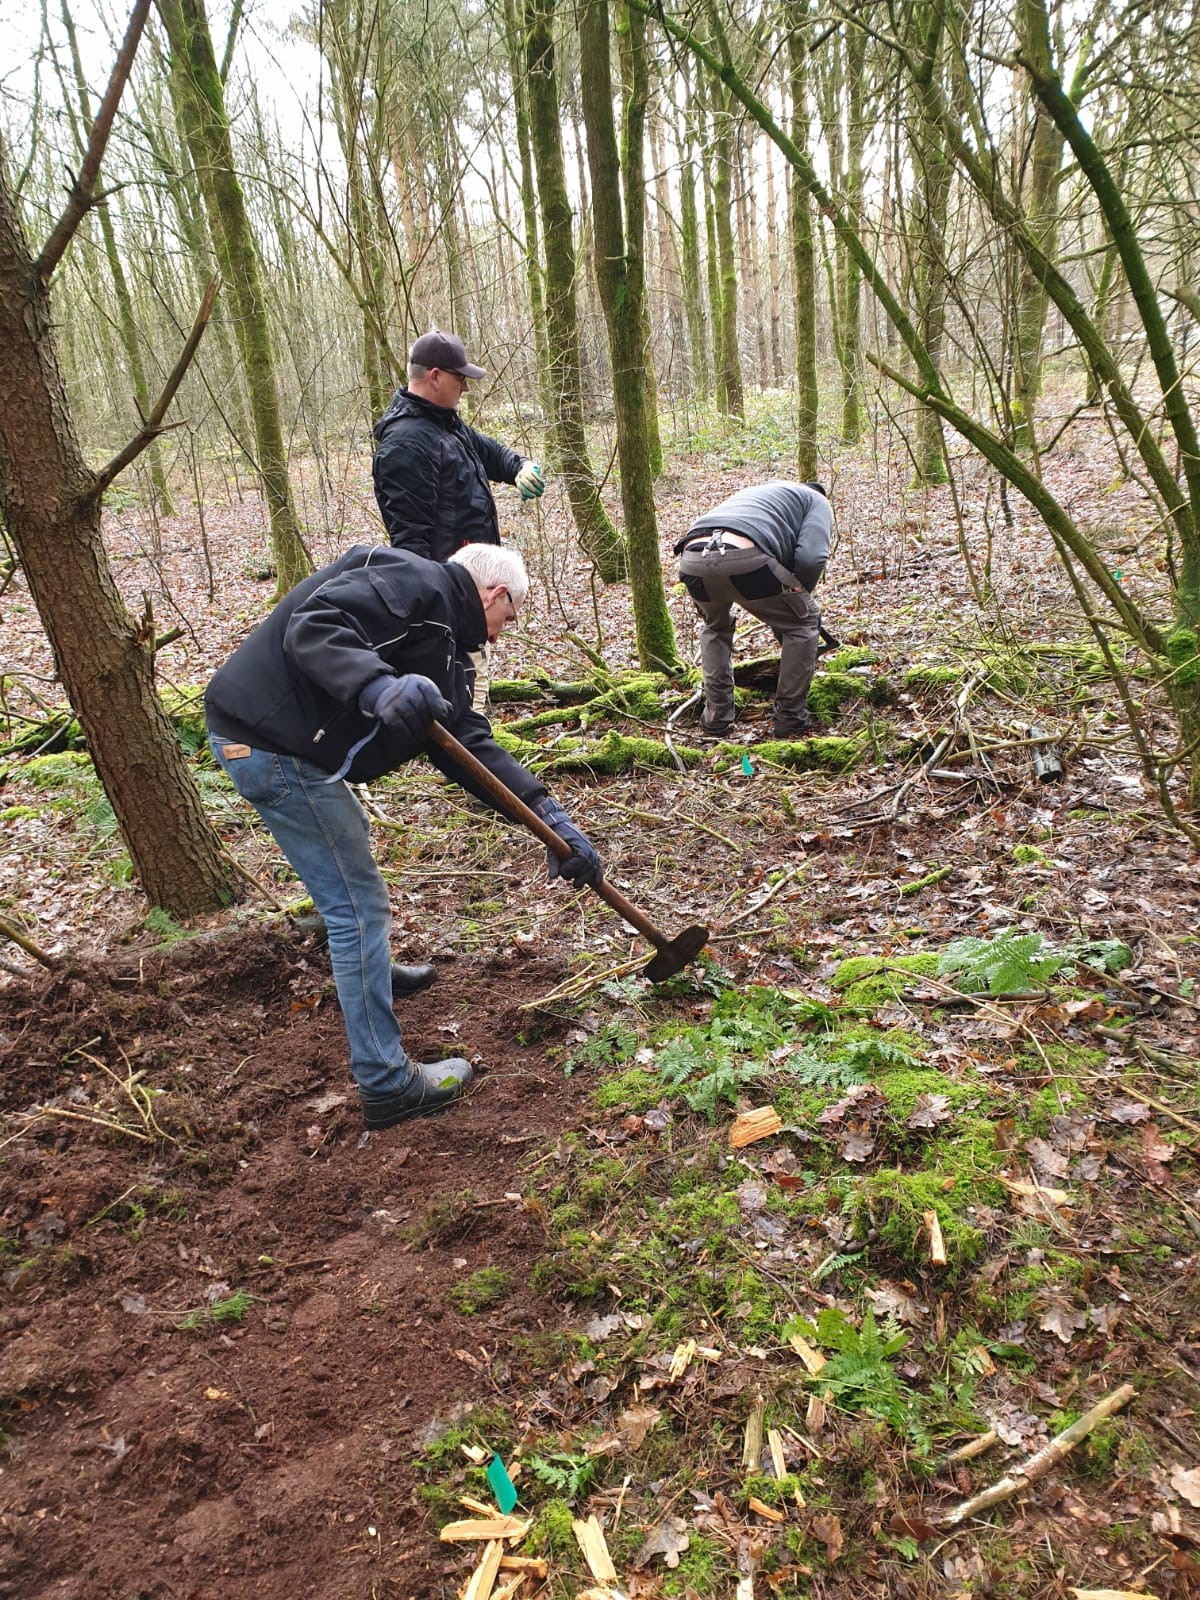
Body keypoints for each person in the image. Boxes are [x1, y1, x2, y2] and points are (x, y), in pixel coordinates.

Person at [204, 543, 601, 1132]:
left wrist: (548, 815)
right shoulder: (413, 582)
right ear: (494, 595)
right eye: (507, 619)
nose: (497, 637)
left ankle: (370, 971)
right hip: (271, 746)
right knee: (357, 908)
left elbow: (465, 742)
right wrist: (375, 686)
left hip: (282, 746)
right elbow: (318, 624)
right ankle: (386, 1082)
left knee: (350, 849)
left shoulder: (444, 645)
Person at [674, 480, 833, 740]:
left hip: (692, 559)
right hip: (745, 559)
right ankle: (791, 719)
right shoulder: (816, 501)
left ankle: (716, 720)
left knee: (715, 628)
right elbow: (811, 558)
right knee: (803, 624)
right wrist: (798, 602)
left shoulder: (763, 495)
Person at [372, 330, 545, 562]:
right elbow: (412, 551)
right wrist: (439, 595)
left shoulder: (444, 423)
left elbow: (489, 452)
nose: (465, 388)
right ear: (435, 377)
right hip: (449, 588)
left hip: (473, 580)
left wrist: (520, 467)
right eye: (460, 378)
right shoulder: (405, 445)